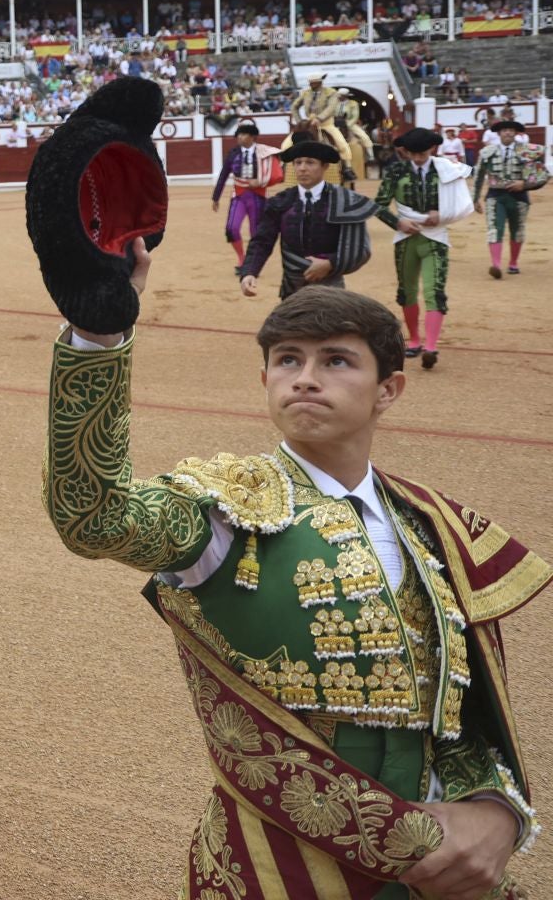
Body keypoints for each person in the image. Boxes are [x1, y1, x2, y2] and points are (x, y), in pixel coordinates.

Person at [45, 267, 544, 900]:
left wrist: (496, 809)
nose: (305, 377)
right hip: (276, 858)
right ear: (265, 380)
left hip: (432, 857)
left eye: (336, 361)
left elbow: (465, 707)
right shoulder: (226, 508)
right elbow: (94, 516)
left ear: (388, 390)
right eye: (287, 360)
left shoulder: (430, 523)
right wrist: (98, 336)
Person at [374, 128, 475, 370]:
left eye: (423, 153)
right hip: (406, 237)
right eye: (413, 153)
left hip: (435, 237)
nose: (418, 158)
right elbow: (378, 206)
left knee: (434, 290)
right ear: (405, 151)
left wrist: (442, 215)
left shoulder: (446, 170)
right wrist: (398, 222)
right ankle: (415, 340)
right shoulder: (396, 170)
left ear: (432, 149)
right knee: (406, 291)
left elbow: (461, 203)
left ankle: (430, 346)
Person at [238, 140, 377, 300]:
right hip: (292, 289)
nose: (302, 168)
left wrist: (330, 263)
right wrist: (249, 272)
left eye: (310, 163)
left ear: (324, 166)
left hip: (331, 289)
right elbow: (262, 240)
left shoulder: (342, 200)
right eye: (298, 163)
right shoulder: (281, 202)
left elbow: (359, 248)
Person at [471, 118, 546, 278]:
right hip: (495, 195)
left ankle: (513, 263)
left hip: (519, 196)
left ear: (516, 133)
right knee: (494, 229)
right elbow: (479, 176)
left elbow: (542, 176)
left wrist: (524, 184)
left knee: (517, 230)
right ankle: (496, 265)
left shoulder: (528, 151)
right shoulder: (487, 152)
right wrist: (475, 198)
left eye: (511, 130)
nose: (508, 132)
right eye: (505, 130)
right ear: (499, 133)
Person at [210, 122, 275, 269]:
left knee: (255, 231)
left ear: (252, 137)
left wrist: (260, 181)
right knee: (231, 228)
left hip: (258, 196)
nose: (239, 137)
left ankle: (252, 261)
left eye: (243, 134)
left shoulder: (263, 153)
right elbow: (223, 175)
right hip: (239, 195)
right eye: (238, 134)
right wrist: (216, 197)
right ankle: (242, 258)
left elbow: (273, 173)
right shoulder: (233, 153)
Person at [290, 74, 346, 153]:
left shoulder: (331, 92)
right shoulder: (306, 93)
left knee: (342, 145)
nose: (310, 85)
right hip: (309, 124)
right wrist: (299, 121)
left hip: (326, 123)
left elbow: (331, 107)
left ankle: (347, 164)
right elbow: (294, 107)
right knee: (286, 145)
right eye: (310, 83)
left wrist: (319, 118)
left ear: (320, 83)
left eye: (313, 83)